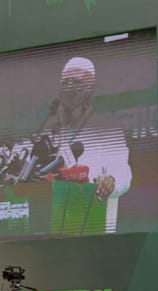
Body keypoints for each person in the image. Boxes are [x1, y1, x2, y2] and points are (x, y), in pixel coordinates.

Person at [45, 56, 132, 233]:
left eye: (77, 82)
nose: (70, 88)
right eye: (66, 83)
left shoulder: (107, 126)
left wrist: (111, 181)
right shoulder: (51, 129)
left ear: (91, 89)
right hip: (52, 227)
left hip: (94, 228)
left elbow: (123, 172)